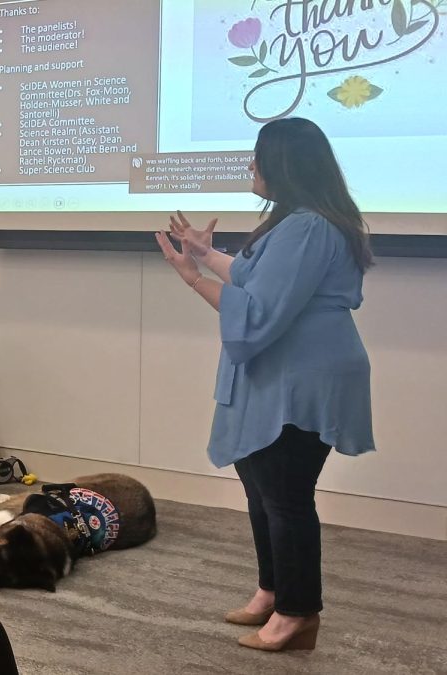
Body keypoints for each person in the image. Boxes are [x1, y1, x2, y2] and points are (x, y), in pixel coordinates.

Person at [156, 117, 374, 652]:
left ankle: (298, 614)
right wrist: (205, 257)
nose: (251, 165)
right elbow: (257, 279)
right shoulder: (299, 221)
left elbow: (258, 312)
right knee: (261, 485)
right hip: (281, 371)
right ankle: (273, 590)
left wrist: (194, 280)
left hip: (302, 377)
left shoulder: (308, 226)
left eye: (258, 155)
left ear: (284, 164)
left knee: (285, 495)